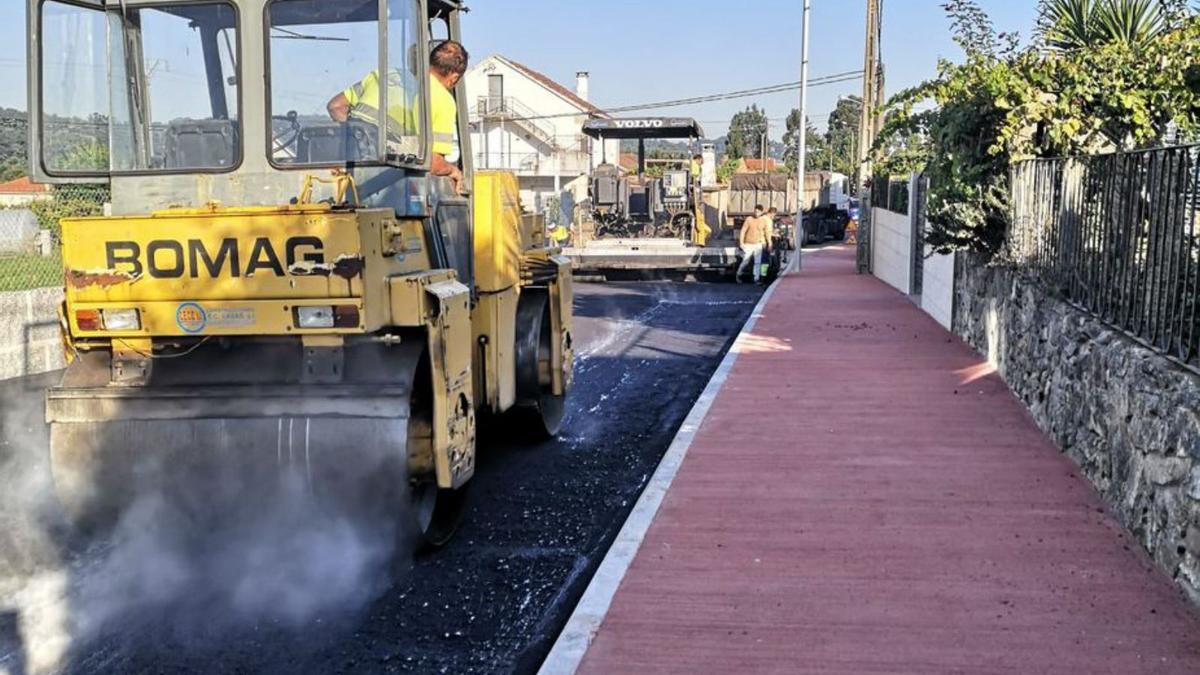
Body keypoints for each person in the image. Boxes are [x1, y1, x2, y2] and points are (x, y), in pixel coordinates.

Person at [327, 40, 469, 194]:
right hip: (381, 179)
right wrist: (453, 170)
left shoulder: (385, 74)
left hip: (346, 164)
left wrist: (356, 132)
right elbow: (433, 163)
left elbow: (335, 107)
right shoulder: (443, 99)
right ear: (454, 77)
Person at [737, 205, 771, 284]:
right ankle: (739, 273)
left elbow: (767, 232)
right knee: (746, 260)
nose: (756, 213)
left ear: (762, 212)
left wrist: (769, 242)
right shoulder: (749, 219)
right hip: (748, 244)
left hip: (758, 244)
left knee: (757, 262)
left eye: (758, 212)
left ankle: (756, 278)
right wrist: (741, 242)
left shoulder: (763, 221)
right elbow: (743, 231)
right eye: (755, 211)